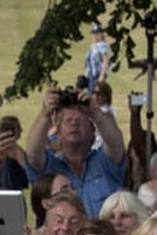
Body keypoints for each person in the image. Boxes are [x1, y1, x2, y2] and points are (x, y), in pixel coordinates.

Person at [25, 87, 126, 218]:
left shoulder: (105, 162)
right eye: (68, 121)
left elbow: (116, 142)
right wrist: (45, 114)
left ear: (93, 133)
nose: (74, 124)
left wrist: (95, 111)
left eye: (80, 121)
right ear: (58, 133)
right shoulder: (50, 168)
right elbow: (33, 154)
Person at [85, 23, 111, 93]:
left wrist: (102, 75)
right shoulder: (92, 46)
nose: (95, 36)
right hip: (91, 75)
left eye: (97, 33)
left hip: (98, 75)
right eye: (94, 34)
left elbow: (106, 60)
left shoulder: (102, 45)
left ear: (101, 34)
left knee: (96, 95)